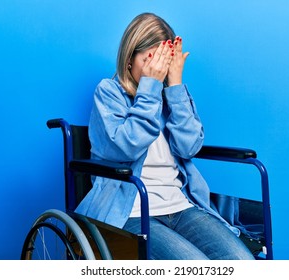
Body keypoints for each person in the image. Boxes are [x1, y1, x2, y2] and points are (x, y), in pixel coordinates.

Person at [76, 12, 254, 260]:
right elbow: (127, 147)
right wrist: (149, 88)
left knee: (243, 262)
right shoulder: (109, 93)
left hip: (180, 206)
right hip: (131, 211)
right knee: (195, 266)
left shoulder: (171, 96)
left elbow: (189, 147)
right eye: (150, 59)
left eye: (163, 62)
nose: (157, 69)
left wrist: (175, 86)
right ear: (129, 59)